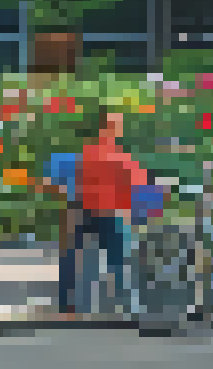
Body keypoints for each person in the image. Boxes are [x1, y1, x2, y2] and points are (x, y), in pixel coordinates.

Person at [61, 110, 148, 315]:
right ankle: (127, 306)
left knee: (85, 260)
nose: (117, 129)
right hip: (100, 213)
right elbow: (136, 184)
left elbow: (136, 184)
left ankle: (71, 303)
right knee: (115, 262)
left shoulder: (96, 154)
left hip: (95, 212)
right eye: (115, 125)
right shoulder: (109, 155)